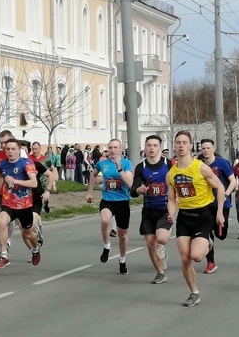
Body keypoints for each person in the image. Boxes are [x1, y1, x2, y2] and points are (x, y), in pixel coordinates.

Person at [167, 131, 226, 307]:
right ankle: (194, 293)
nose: (181, 145)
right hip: (185, 217)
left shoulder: (201, 167)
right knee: (185, 259)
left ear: (191, 146)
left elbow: (220, 187)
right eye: (178, 142)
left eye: (184, 142)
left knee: (197, 256)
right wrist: (171, 214)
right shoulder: (171, 173)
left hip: (203, 215)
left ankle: (208, 241)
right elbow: (171, 199)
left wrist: (220, 212)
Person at [86, 139, 134, 275]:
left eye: (115, 148)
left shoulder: (126, 163)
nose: (113, 150)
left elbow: (130, 183)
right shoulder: (102, 163)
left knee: (122, 235)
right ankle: (107, 246)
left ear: (120, 149)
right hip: (107, 200)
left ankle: (122, 260)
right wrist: (89, 191)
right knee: (105, 220)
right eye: (110, 148)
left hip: (123, 201)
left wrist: (119, 169)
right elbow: (93, 174)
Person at [130, 135, 173, 284]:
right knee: (150, 243)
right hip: (149, 210)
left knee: (161, 238)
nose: (152, 148)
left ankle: (161, 247)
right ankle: (160, 272)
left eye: (155, 145)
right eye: (149, 145)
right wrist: (139, 189)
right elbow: (132, 191)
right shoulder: (141, 167)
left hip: (166, 209)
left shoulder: (170, 164)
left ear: (160, 147)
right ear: (145, 148)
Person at [0, 138, 39, 268]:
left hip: (24, 205)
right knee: (1, 223)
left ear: (19, 150)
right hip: (8, 202)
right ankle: (4, 255)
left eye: (13, 149)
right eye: (8, 149)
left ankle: (35, 249)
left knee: (28, 233)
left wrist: (16, 181)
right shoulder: (2, 164)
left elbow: (33, 183)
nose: (10, 152)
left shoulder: (26, 163)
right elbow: (1, 178)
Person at [199, 139, 236, 274]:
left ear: (213, 149)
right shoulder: (199, 164)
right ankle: (210, 262)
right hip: (206, 203)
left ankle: (217, 233)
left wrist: (225, 194)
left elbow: (233, 181)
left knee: (221, 234)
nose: (206, 150)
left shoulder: (222, 163)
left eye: (208, 148)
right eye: (203, 148)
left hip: (222, 203)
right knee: (207, 232)